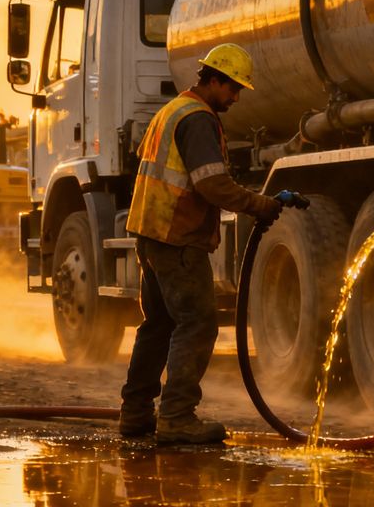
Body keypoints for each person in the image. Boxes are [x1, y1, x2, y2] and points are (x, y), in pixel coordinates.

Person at [121, 43, 283, 444]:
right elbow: (211, 184)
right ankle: (176, 416)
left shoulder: (172, 109)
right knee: (197, 324)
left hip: (151, 231)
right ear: (214, 80)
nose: (236, 97)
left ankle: (136, 413)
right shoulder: (199, 119)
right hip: (178, 236)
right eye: (232, 88)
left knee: (157, 325)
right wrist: (260, 204)